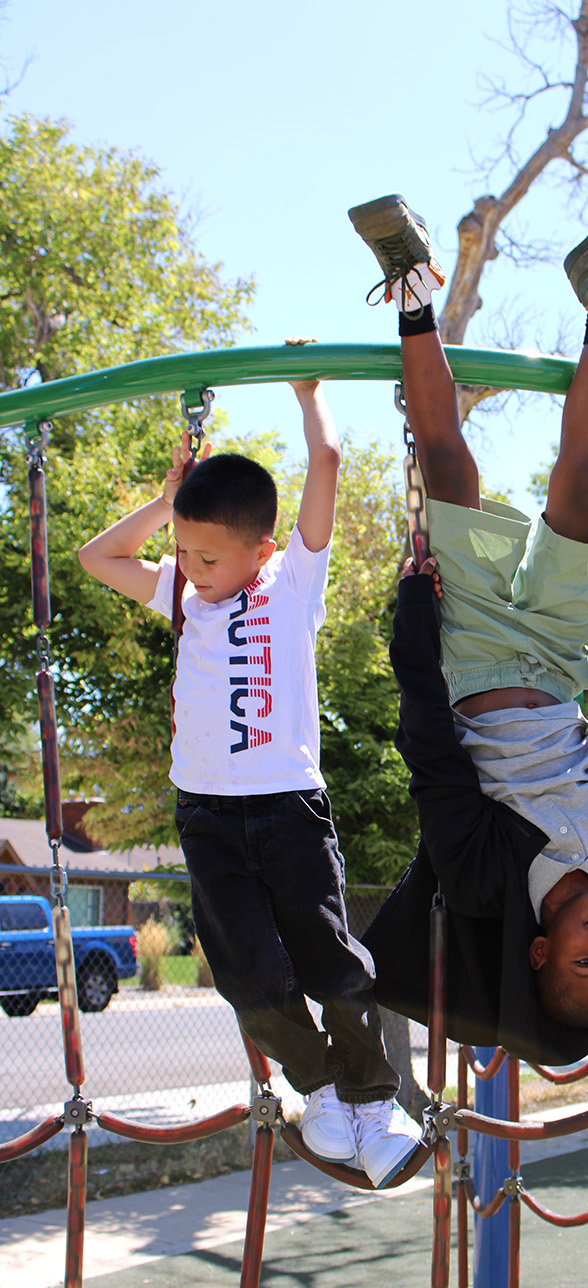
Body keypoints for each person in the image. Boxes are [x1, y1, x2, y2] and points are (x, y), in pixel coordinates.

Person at [77, 374, 422, 1187]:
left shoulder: (293, 584)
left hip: (288, 810)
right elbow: (100, 557)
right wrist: (169, 503)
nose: (190, 568)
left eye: (207, 554)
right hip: (207, 816)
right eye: (184, 551)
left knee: (332, 964)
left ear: (260, 552)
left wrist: (308, 395)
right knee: (250, 980)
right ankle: (324, 1090)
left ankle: (377, 1103)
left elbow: (328, 458)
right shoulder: (180, 593)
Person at [350, 186, 588, 1064]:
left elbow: (432, 752)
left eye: (584, 957)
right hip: (565, 658)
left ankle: (413, 286)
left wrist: (414, 616)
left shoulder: (484, 879)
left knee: (449, 463)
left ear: (540, 953)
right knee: (579, 485)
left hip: (474, 656)